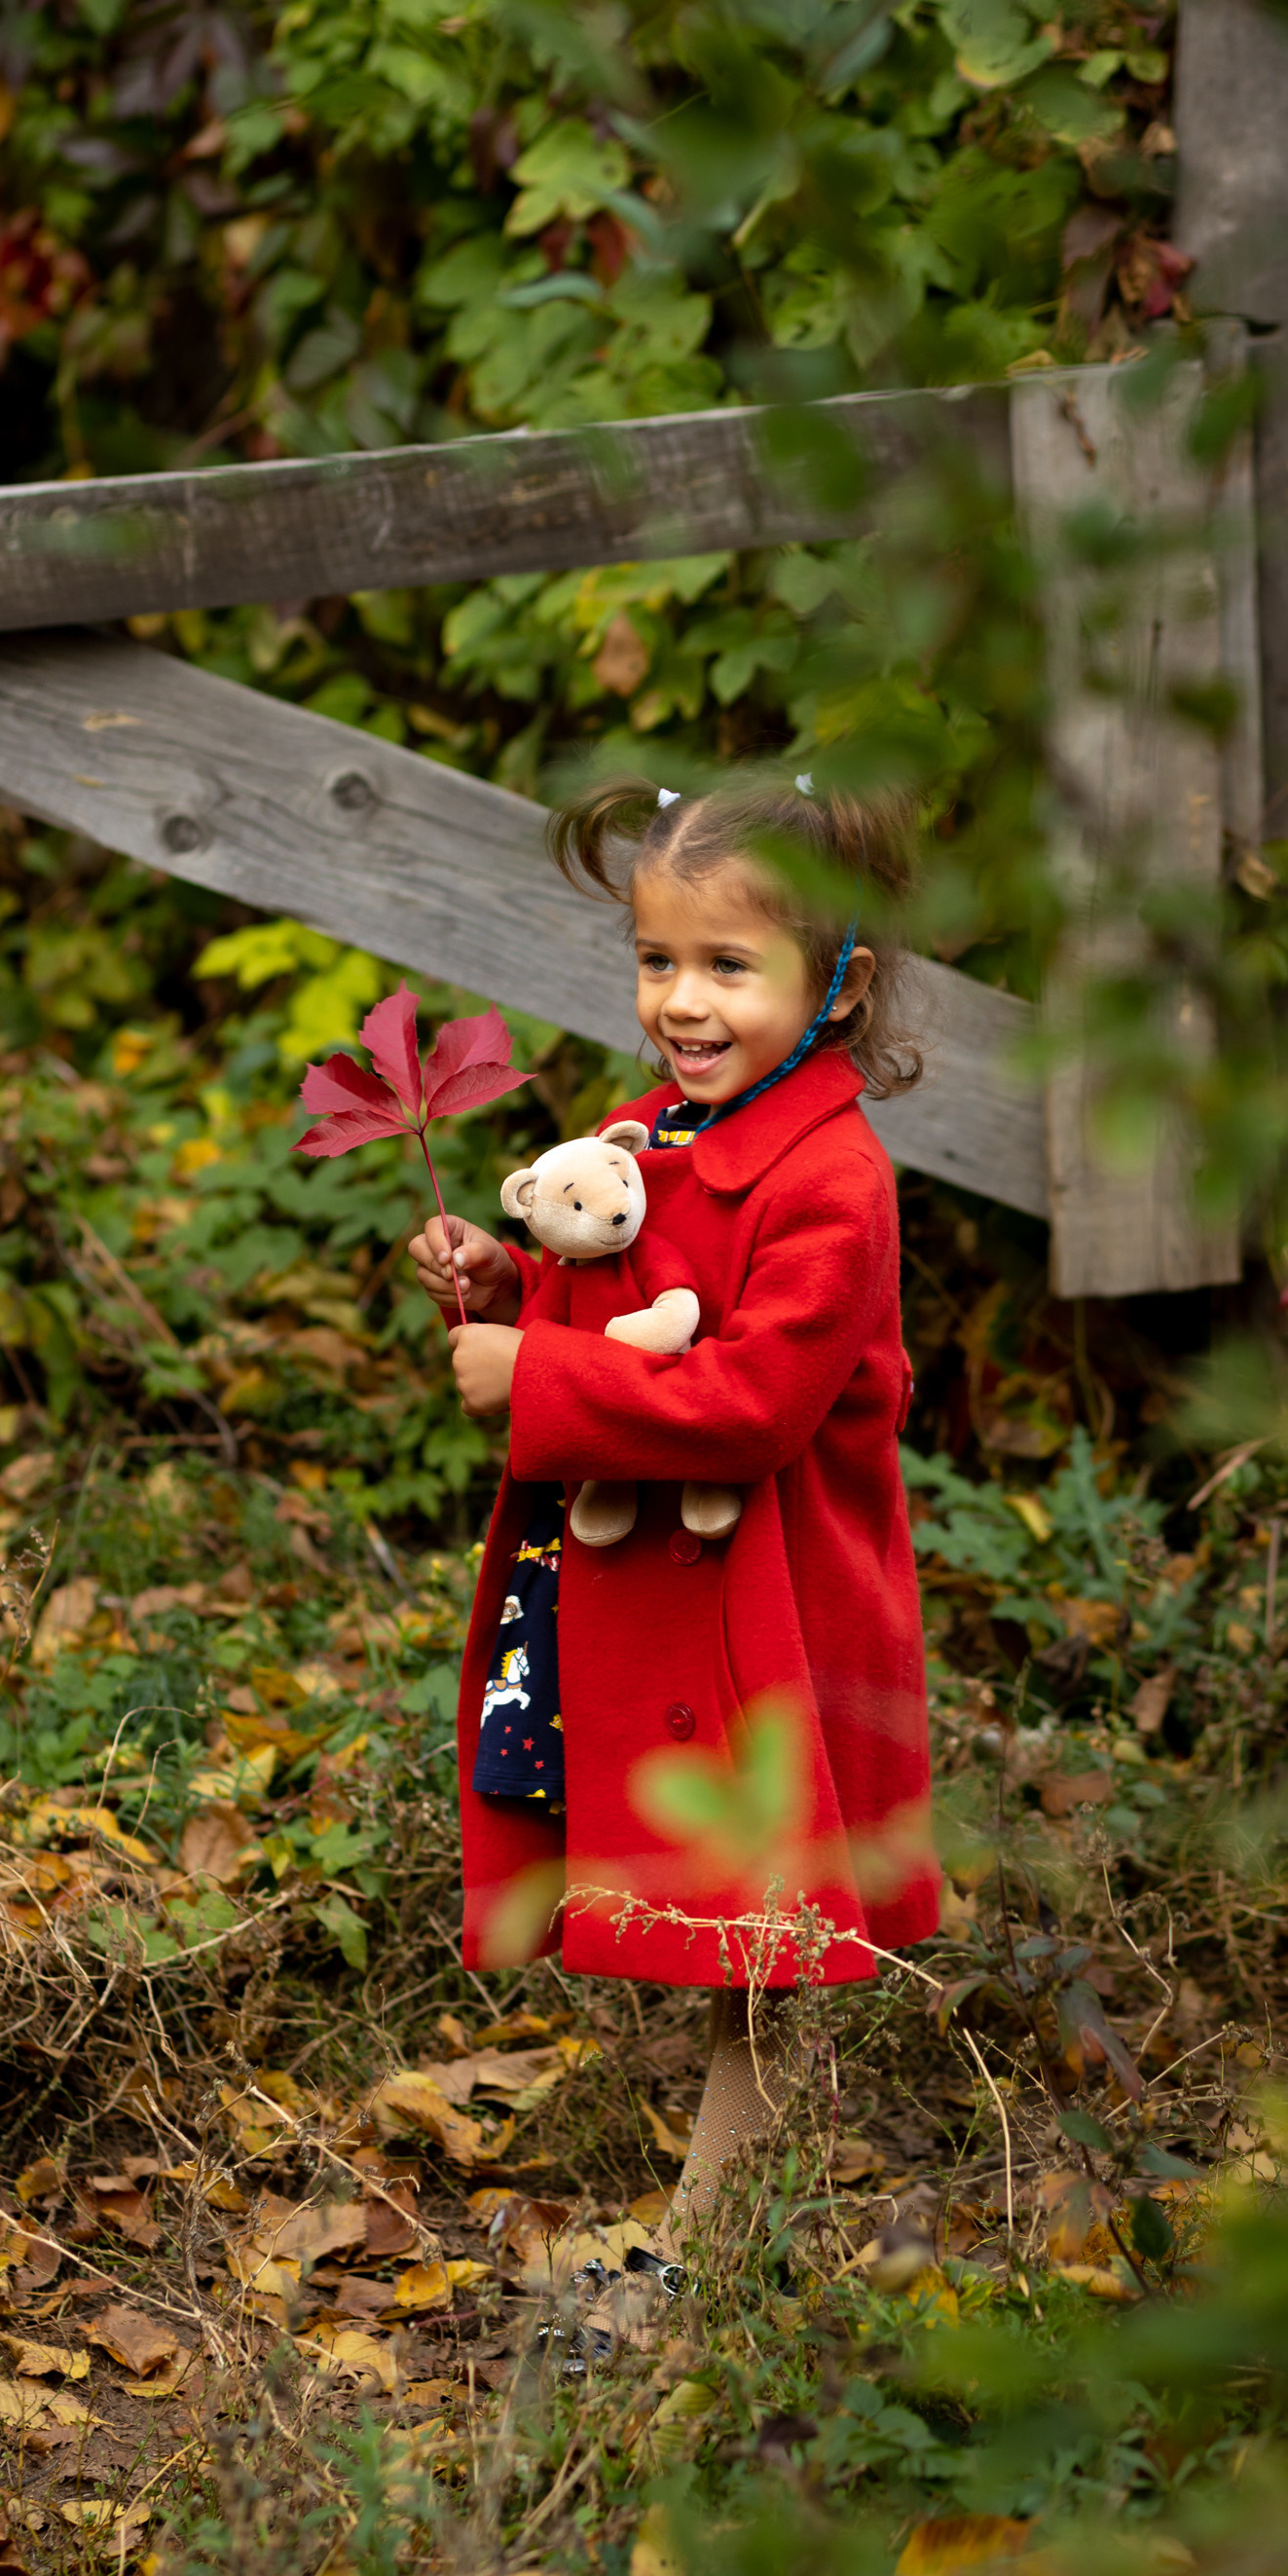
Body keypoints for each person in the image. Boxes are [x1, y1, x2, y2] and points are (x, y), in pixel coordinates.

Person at [407, 771, 938, 2312]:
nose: (681, 1002)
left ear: (836, 980)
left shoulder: (833, 1181)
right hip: (667, 1601)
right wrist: (512, 1288)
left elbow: (752, 1402)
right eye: (657, 961)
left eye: (727, 966)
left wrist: (540, 1383)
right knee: (723, 1918)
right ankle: (726, 2227)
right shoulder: (651, 1132)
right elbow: (621, 1298)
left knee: (766, 1932)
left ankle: (706, 2265)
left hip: (780, 1610)